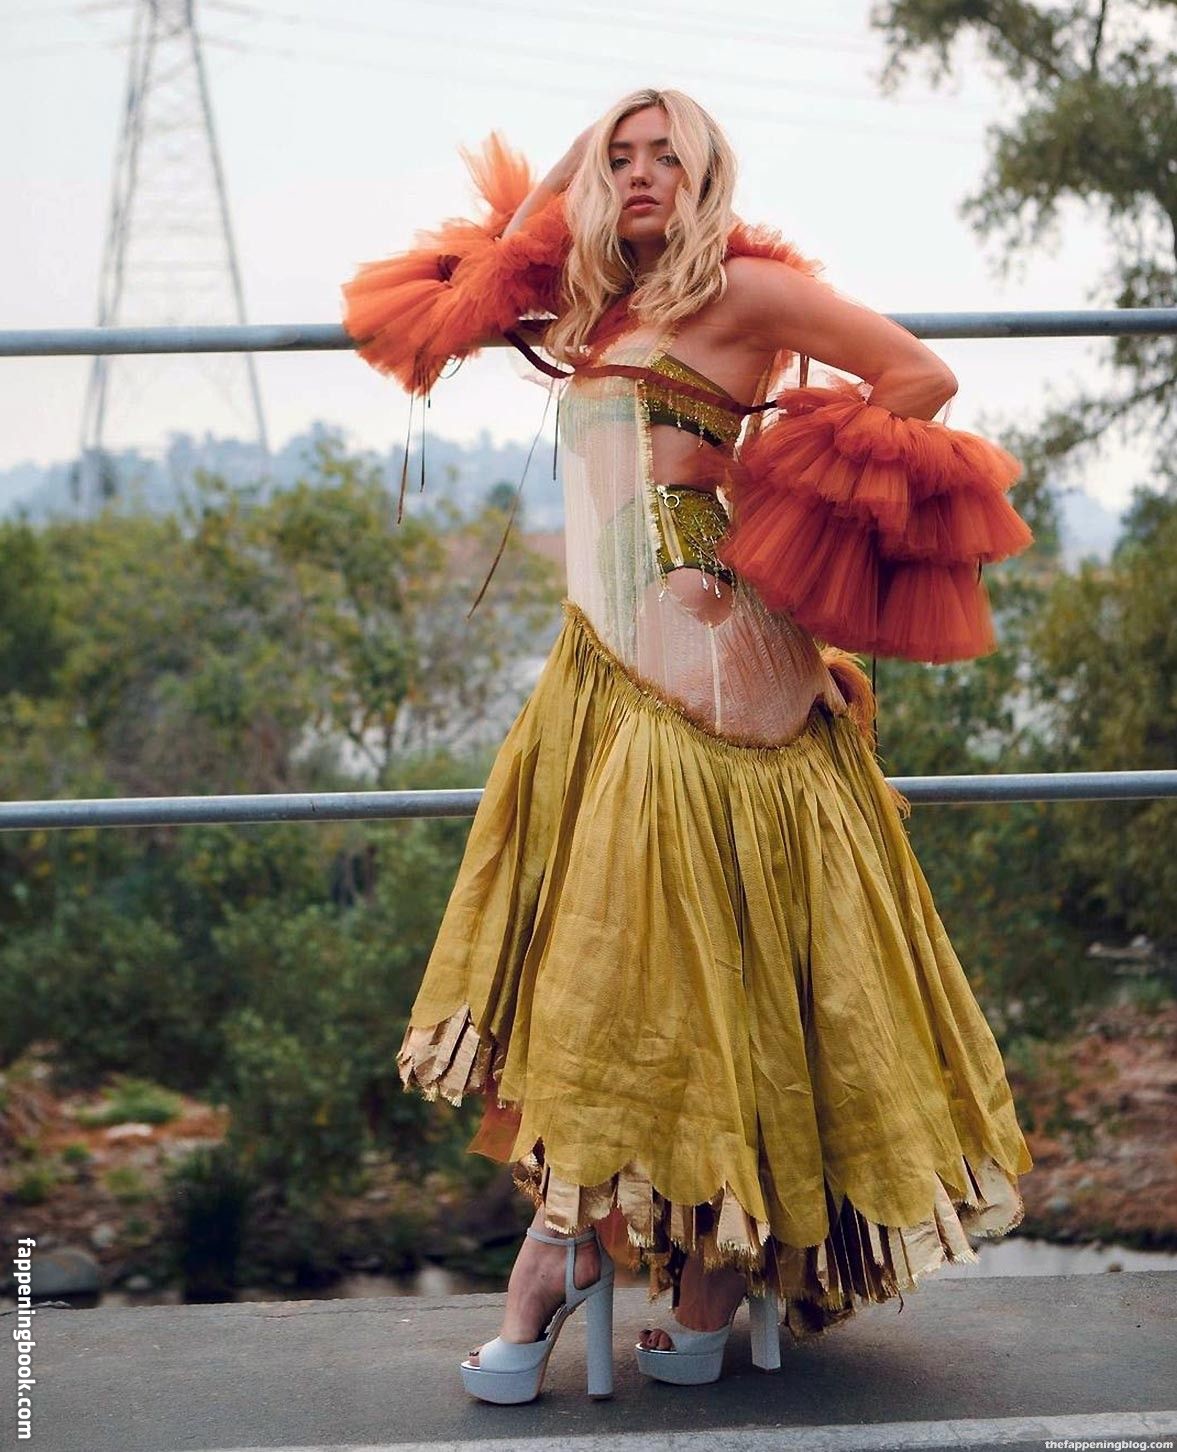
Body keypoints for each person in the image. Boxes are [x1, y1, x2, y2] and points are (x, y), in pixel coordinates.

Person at [342, 86, 1035, 1405]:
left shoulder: (746, 293)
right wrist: (588, 161)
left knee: (699, 975)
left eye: (669, 156)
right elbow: (453, 303)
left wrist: (772, 510)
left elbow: (917, 375)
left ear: (711, 176)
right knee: (619, 972)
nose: (642, 174)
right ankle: (661, 1289)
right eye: (623, 158)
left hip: (713, 669)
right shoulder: (592, 306)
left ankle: (578, 1273)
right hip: (599, 676)